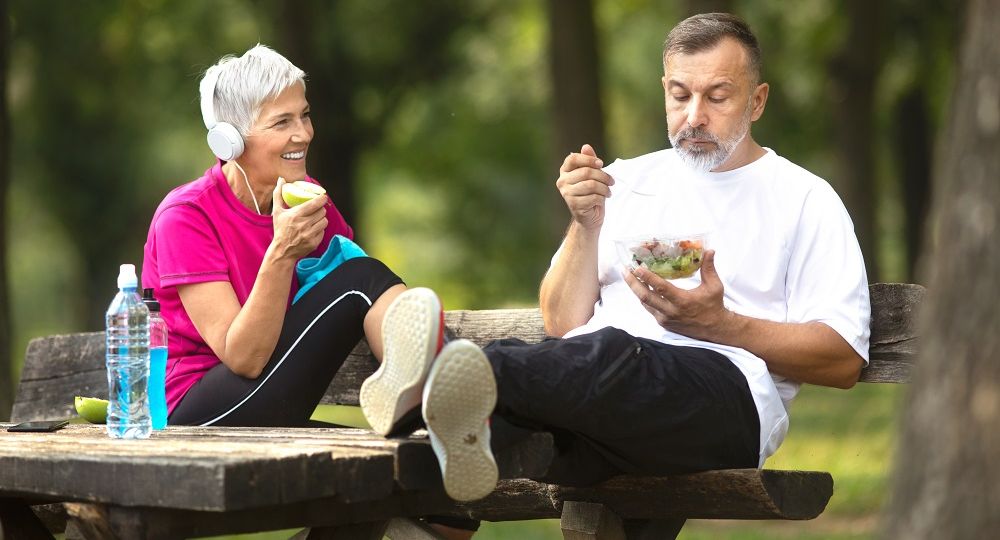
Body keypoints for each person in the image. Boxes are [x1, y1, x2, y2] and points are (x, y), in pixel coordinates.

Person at [358, 11, 871, 518]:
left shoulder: (804, 198)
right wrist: (586, 225)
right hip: (594, 407)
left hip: (726, 399)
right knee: (529, 427)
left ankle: (439, 367)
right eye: (679, 95)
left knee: (613, 353)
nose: (694, 116)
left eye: (716, 96)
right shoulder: (625, 179)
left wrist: (722, 325)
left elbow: (844, 359)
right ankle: (450, 453)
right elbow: (562, 322)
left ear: (756, 100)